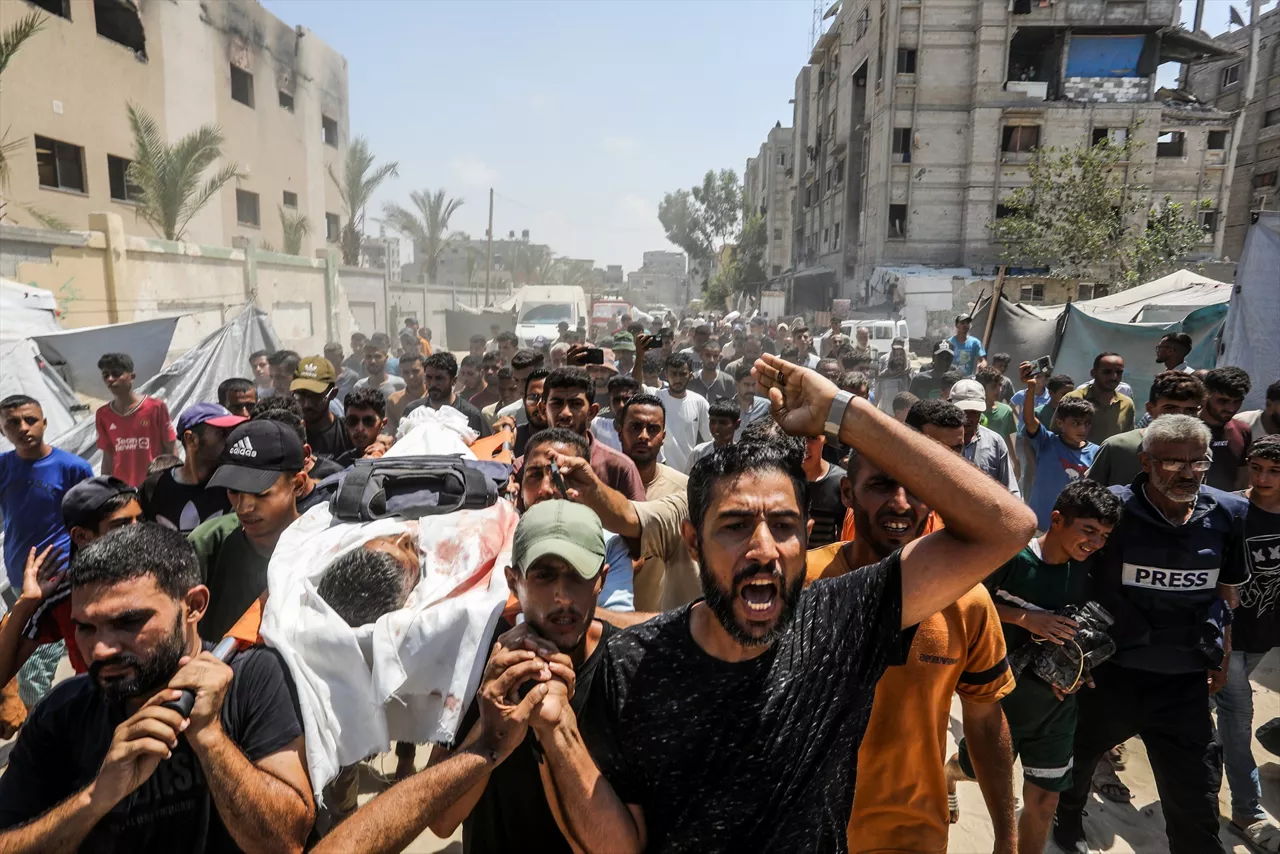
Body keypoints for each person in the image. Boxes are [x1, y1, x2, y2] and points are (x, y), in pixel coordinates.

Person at [526, 354, 1036, 851]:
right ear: (693, 541)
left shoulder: (836, 624)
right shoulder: (629, 666)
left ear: (807, 535)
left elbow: (1008, 526)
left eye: (784, 525)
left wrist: (843, 414)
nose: (764, 549)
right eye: (735, 525)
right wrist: (557, 733)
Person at [0, 523, 313, 853]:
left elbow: (286, 843)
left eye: (128, 622)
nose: (101, 650)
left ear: (193, 606)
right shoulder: (61, 712)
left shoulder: (253, 678)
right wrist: (94, 799)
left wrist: (210, 737)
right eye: (86, 628)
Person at [369, 499, 620, 853]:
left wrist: (558, 732)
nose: (563, 597)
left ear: (601, 580)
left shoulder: (623, 666)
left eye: (578, 576)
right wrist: (490, 734)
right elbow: (441, 821)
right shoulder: (483, 659)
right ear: (513, 581)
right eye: (544, 575)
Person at [805, 439, 1015, 854]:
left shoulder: (967, 601)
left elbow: (986, 722)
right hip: (807, 830)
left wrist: (1007, 839)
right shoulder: (803, 583)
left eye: (916, 488)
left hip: (913, 833)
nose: (901, 503)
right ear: (847, 492)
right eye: (881, 485)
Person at [1053, 415, 1249, 854]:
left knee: (1196, 791)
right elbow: (1071, 579)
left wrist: (1222, 655)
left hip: (1184, 681)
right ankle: (1067, 823)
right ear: (1145, 461)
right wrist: (1071, 657)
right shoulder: (1111, 510)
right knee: (1078, 758)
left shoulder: (1228, 513)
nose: (1188, 473)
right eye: (1174, 462)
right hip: (1111, 673)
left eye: (1198, 462)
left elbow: (1227, 591)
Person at [949, 479, 1121, 854]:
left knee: (1044, 802)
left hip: (1056, 706)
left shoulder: (1088, 570)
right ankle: (949, 775)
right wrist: (1025, 618)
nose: (1095, 542)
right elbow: (960, 600)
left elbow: (1080, 632)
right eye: (1088, 530)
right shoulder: (1012, 557)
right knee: (973, 771)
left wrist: (1077, 671)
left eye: (1104, 536)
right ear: (1057, 520)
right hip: (999, 700)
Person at [0, 476, 143, 691]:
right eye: (121, 525)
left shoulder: (159, 576)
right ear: (81, 536)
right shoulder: (65, 596)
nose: (137, 532)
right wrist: (26, 602)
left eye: (139, 520)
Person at [0, 395, 93, 709]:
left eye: (30, 420)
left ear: (44, 422)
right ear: (2, 430)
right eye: (13, 423)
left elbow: (91, 519)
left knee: (33, 670)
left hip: (60, 580)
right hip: (21, 580)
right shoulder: (3, 467)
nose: (23, 428)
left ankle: (42, 727)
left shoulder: (72, 468)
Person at [1215, 435, 1280, 850]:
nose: (1263, 478)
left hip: (1263, 633)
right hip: (1224, 632)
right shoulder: (1230, 508)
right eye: (1257, 468)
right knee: (1238, 717)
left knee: (1205, 707)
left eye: (1274, 471)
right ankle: (1247, 810)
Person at [189, 420, 307, 641]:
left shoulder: (320, 545)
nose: (243, 508)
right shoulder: (207, 543)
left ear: (298, 485)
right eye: (234, 492)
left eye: (261, 494)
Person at [528, 368, 644, 500]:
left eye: (575, 404)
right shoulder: (525, 466)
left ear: (592, 412)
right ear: (543, 410)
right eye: (557, 403)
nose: (565, 413)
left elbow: (635, 513)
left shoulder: (619, 468)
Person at [1087, 372, 1205, 488]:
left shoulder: (1201, 452)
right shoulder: (1117, 447)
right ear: (1150, 409)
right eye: (1170, 408)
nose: (1180, 416)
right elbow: (1090, 492)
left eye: (1190, 410)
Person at [143, 403, 246, 533]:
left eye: (232, 433)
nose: (230, 440)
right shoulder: (154, 487)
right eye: (222, 433)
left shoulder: (234, 486)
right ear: (191, 439)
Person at [1019, 365, 1099, 532]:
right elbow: (1030, 420)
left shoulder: (1096, 453)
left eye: (1087, 424)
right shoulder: (1047, 442)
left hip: (1069, 530)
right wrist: (1031, 389)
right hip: (1038, 526)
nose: (1082, 429)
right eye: (1076, 423)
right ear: (1060, 423)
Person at [94, 352, 177, 486]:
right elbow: (108, 456)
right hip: (123, 489)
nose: (110, 379)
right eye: (105, 375)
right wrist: (106, 487)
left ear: (131, 376)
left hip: (154, 486)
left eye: (116, 374)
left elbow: (170, 448)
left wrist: (173, 482)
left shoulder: (155, 407)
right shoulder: (103, 414)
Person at [950, 379, 1020, 496]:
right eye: (962, 411)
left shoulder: (995, 442)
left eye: (973, 412)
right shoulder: (938, 441)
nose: (967, 418)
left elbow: (1011, 490)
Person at [400, 352, 493, 439]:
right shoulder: (413, 411)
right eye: (429, 377)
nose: (433, 383)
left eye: (439, 378)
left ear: (454, 381)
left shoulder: (470, 415)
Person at [647, 352, 709, 474]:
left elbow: (710, 439)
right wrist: (640, 354)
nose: (677, 379)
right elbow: (636, 385)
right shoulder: (655, 396)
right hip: (660, 473)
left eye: (682, 374)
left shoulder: (699, 402)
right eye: (673, 374)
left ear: (690, 375)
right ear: (666, 374)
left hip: (689, 474)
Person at [618, 394, 688, 501]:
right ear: (620, 433)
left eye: (652, 429)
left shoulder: (683, 489)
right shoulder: (599, 484)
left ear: (663, 437)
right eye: (635, 427)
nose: (644, 436)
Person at [1061, 353, 1134, 445]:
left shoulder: (1127, 404)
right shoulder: (1073, 398)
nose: (1114, 377)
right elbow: (1055, 434)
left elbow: (1126, 440)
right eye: (1107, 372)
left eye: (1119, 372)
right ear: (1093, 373)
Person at [1201, 365, 1254, 491]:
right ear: (1205, 394)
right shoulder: (1186, 428)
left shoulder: (1242, 430)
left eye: (1237, 401)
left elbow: (1242, 481)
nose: (1231, 408)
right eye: (1223, 401)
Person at [291, 356, 353, 460]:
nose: (306, 404)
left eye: (315, 397)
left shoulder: (349, 434)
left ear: (333, 393)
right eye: (300, 395)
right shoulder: (288, 434)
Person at [802, 432, 846, 548]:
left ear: (825, 438)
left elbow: (844, 537)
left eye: (812, 438)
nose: (804, 445)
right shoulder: (780, 477)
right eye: (797, 437)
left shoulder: (839, 482)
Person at [333, 388, 388, 467]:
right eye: (352, 421)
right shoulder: (341, 464)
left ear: (383, 423)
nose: (359, 428)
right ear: (345, 423)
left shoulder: (397, 454)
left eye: (368, 421)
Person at [976, 366, 1018, 466]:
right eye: (993, 386)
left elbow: (1006, 437)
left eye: (1000, 385)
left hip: (996, 462)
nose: (998, 390)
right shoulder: (974, 411)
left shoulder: (1006, 411)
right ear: (982, 388)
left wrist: (1015, 461)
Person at [494, 350, 547, 427]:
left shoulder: (557, 409)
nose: (520, 387)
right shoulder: (506, 415)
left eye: (526, 380)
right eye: (516, 380)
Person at [686, 399, 741, 473]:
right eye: (712, 421)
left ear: (737, 424)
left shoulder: (742, 455)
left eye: (723, 423)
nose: (716, 427)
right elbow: (687, 478)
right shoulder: (699, 452)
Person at [591, 375, 640, 453]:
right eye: (616, 400)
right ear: (610, 402)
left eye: (626, 400)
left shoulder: (646, 433)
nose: (621, 405)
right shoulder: (597, 425)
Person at [384, 352, 427, 436]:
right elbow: (391, 433)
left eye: (415, 371)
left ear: (425, 370)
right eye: (406, 372)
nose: (411, 376)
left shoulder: (436, 396)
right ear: (401, 373)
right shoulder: (394, 400)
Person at [512, 369, 550, 457]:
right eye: (533, 398)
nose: (539, 405)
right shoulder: (513, 438)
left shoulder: (569, 439)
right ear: (524, 401)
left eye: (546, 398)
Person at [875, 337, 914, 413]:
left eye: (901, 355)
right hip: (887, 413)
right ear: (891, 358)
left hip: (904, 415)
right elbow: (876, 397)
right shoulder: (884, 377)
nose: (899, 357)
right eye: (896, 355)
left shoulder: (909, 375)